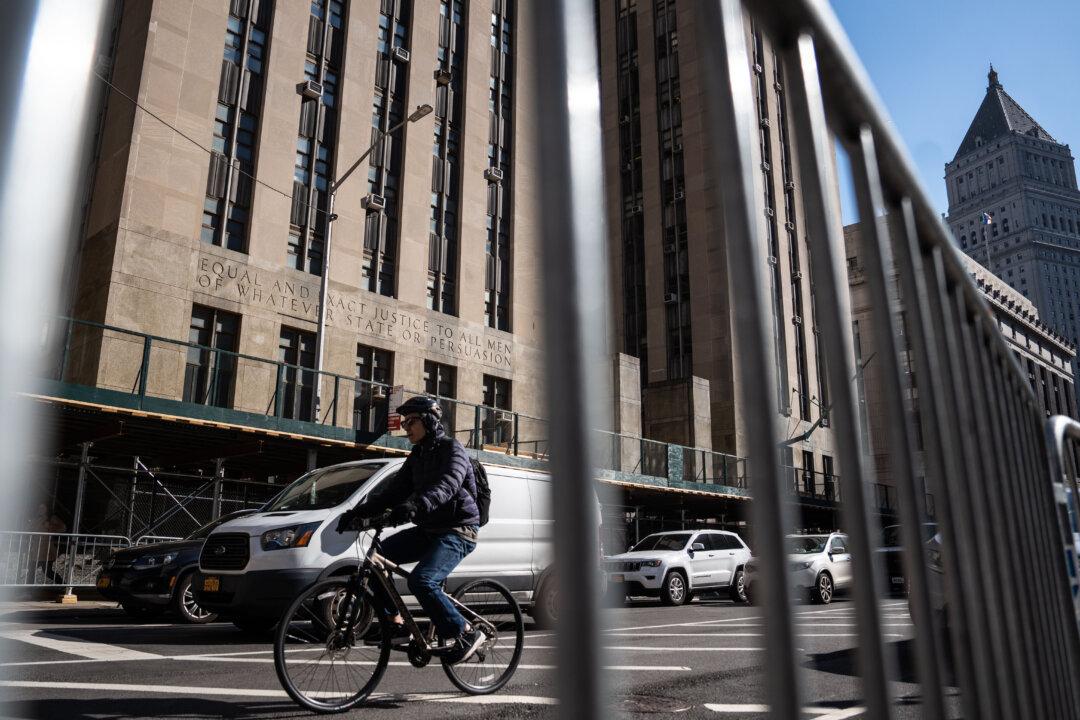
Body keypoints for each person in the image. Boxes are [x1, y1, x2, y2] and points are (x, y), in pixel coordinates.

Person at [336, 395, 483, 665]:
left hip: (458, 529)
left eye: (411, 421)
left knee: (421, 581)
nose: (406, 427)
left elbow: (448, 484)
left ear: (428, 420)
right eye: (404, 422)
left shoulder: (453, 450)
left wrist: (417, 504)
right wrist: (358, 513)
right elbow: (393, 492)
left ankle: (466, 632)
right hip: (429, 529)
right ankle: (396, 623)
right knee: (377, 557)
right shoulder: (417, 456)